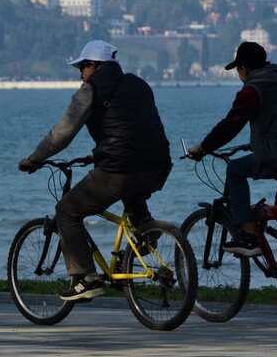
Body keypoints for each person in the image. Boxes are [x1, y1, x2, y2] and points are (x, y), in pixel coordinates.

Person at [18, 40, 172, 301]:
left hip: (121, 168)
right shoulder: (139, 84)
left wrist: (35, 158)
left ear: (94, 65)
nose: (80, 74)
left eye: (82, 67)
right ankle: (147, 230)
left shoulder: (90, 90)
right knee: (130, 186)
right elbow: (133, 130)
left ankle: (86, 279)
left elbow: (62, 132)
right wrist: (98, 154)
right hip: (158, 166)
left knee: (66, 211)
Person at [187, 41, 277, 256]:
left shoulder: (252, 89)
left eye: (238, 69)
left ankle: (248, 235)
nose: (238, 74)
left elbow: (231, 124)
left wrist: (204, 147)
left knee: (235, 170)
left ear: (245, 69)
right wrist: (256, 143)